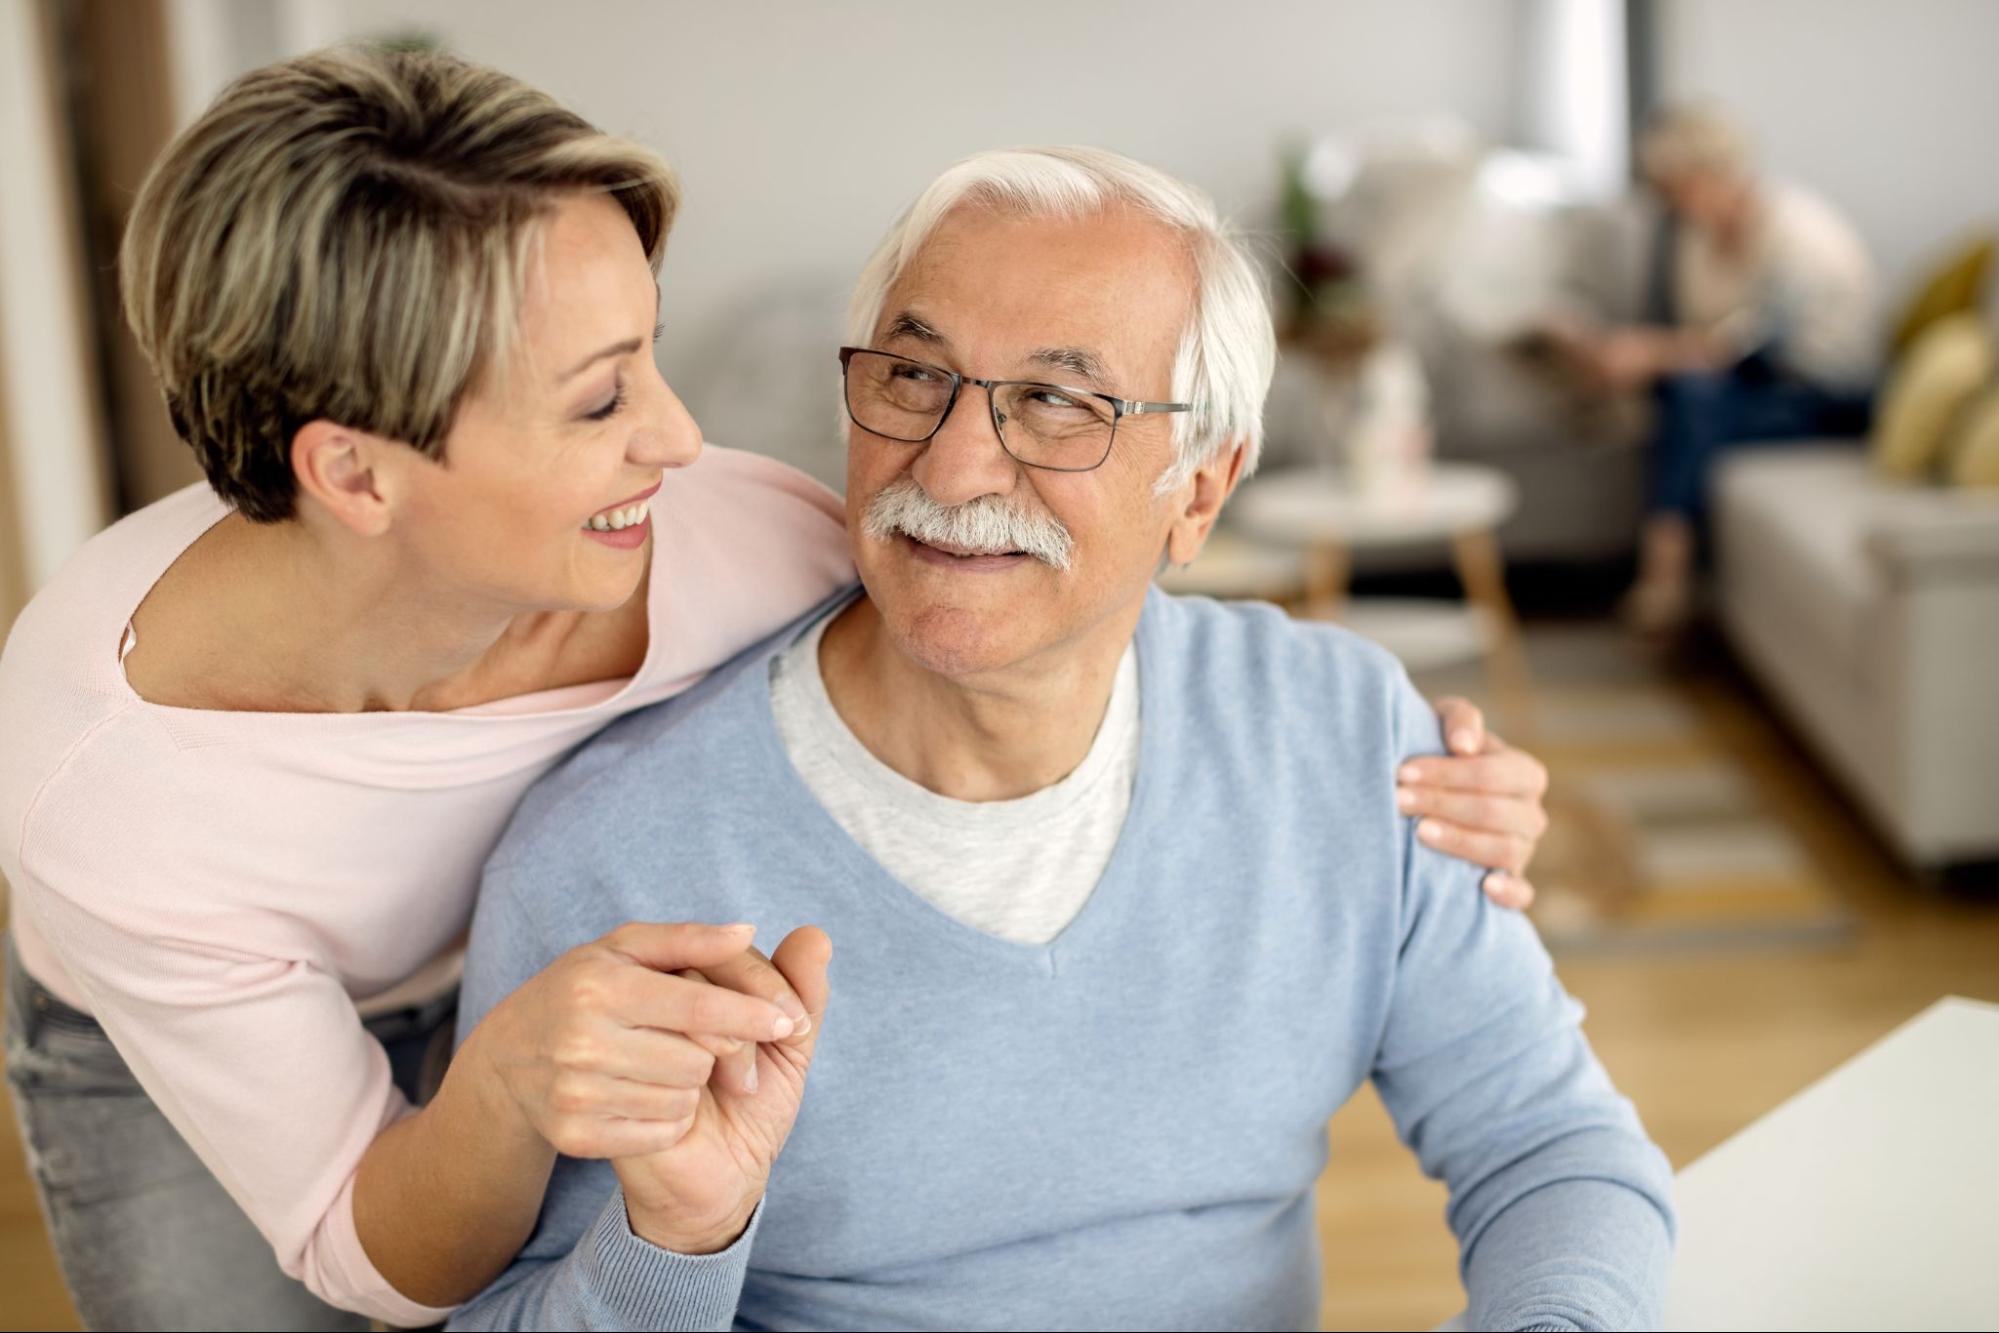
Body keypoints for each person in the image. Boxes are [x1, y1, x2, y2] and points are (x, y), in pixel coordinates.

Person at [0, 48, 1551, 1330]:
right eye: (601, 397)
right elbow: (369, 1245)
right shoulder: (115, 803)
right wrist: (508, 1091)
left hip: (561, 974)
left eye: (649, 356)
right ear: (353, 472)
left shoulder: (742, 540)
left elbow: (1035, 585)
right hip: (232, 1026)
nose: (680, 439)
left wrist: (1388, 761)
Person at [449, 146, 1674, 1333]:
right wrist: (675, 1246)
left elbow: (1548, 1145)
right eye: (911, 378)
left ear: (1199, 488)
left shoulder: (1346, 739)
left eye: (1056, 401)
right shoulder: (609, 855)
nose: (958, 462)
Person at [1551, 104, 1876, 634]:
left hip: (1825, 397)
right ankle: (1669, 569)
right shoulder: (1694, 236)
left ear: (1721, 174)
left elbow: (1756, 348)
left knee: (1693, 397)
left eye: (1679, 188)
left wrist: (1649, 353)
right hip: (1753, 387)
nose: (1671, 205)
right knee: (1682, 392)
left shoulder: (1800, 237)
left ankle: (1666, 569)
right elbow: (1703, 336)